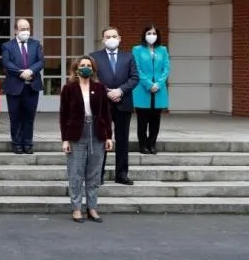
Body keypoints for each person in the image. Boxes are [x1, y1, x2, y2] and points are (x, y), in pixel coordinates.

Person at [59, 56, 114, 224]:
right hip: (76, 132)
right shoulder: (69, 88)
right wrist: (65, 139)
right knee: (76, 173)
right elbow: (64, 115)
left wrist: (109, 136)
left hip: (96, 132)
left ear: (93, 69)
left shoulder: (99, 88)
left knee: (93, 174)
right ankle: (76, 208)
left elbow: (106, 113)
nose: (85, 68)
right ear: (76, 69)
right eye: (82, 65)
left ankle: (92, 208)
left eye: (88, 65)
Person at [90, 27, 138, 185]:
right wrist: (106, 92)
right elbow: (92, 78)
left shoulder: (129, 57)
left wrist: (120, 91)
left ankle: (122, 174)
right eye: (107, 36)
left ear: (120, 38)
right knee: (101, 139)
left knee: (123, 140)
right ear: (103, 40)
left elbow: (134, 77)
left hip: (123, 103)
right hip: (102, 105)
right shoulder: (94, 57)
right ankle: (98, 174)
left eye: (114, 36)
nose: (111, 39)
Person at [1, 18, 44, 154]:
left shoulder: (36, 44)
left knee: (29, 117)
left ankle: (28, 143)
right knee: (15, 117)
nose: (25, 31)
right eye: (22, 29)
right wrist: (21, 73)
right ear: (15, 30)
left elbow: (41, 61)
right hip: (14, 87)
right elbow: (7, 63)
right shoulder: (7, 46)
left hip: (32, 87)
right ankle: (16, 143)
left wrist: (31, 71)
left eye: (27, 29)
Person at [132, 24, 171, 155]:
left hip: (159, 89)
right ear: (144, 35)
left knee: (156, 120)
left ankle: (152, 144)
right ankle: (143, 145)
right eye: (149, 33)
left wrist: (159, 84)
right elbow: (137, 68)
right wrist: (149, 84)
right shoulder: (137, 50)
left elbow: (166, 68)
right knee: (142, 120)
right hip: (142, 88)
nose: (151, 36)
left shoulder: (163, 50)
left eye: (154, 33)